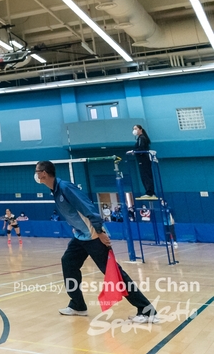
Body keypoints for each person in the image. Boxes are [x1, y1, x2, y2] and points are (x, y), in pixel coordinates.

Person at [35, 160, 158, 323]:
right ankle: (78, 305)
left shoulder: (65, 187)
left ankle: (147, 311)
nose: (35, 175)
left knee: (114, 273)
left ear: (44, 173)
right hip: (81, 236)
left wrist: (99, 231)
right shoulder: (55, 191)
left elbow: (87, 207)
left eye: (37, 171)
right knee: (68, 262)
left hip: (94, 235)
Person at [128, 125, 157, 199]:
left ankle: (150, 193)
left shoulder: (142, 138)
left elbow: (141, 148)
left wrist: (134, 151)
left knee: (146, 176)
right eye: (133, 129)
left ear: (140, 129)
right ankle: (150, 192)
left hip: (143, 159)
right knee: (145, 176)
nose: (134, 130)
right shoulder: (140, 138)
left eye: (136, 128)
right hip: (143, 159)